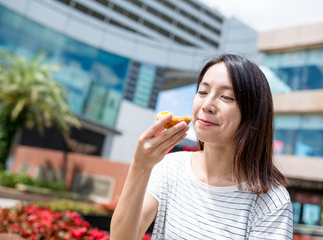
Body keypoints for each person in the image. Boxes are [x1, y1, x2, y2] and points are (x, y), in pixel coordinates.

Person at [110, 54, 293, 240]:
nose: (206, 105)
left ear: (252, 113)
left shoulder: (271, 201)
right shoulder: (170, 168)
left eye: (226, 97)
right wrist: (140, 167)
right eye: (203, 92)